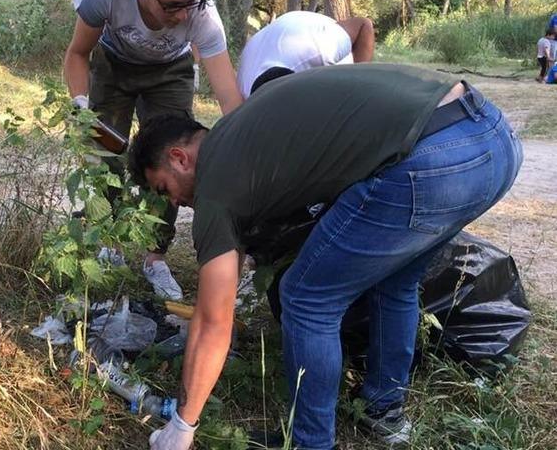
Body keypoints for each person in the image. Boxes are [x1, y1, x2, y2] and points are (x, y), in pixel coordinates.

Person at [128, 64, 523, 450]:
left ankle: (311, 442)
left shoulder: (215, 181)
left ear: (179, 158)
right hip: (493, 139)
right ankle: (383, 410)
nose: (174, 202)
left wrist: (182, 425)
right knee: (396, 281)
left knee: (305, 297)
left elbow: (214, 319)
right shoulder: (243, 133)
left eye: (164, 189)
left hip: (437, 159)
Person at [64, 0, 243, 300]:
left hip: (170, 72)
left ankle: (155, 257)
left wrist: (246, 147)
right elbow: (77, 53)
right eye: (172, 6)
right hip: (113, 66)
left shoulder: (203, 15)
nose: (183, 15)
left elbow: (229, 98)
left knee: (172, 162)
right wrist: (80, 105)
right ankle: (110, 246)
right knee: (104, 156)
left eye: (190, 4)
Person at [236, 10, 375, 98]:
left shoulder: (322, 48)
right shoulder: (243, 92)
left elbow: (364, 25)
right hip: (269, 41)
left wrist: (357, 89)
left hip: (306, 31)